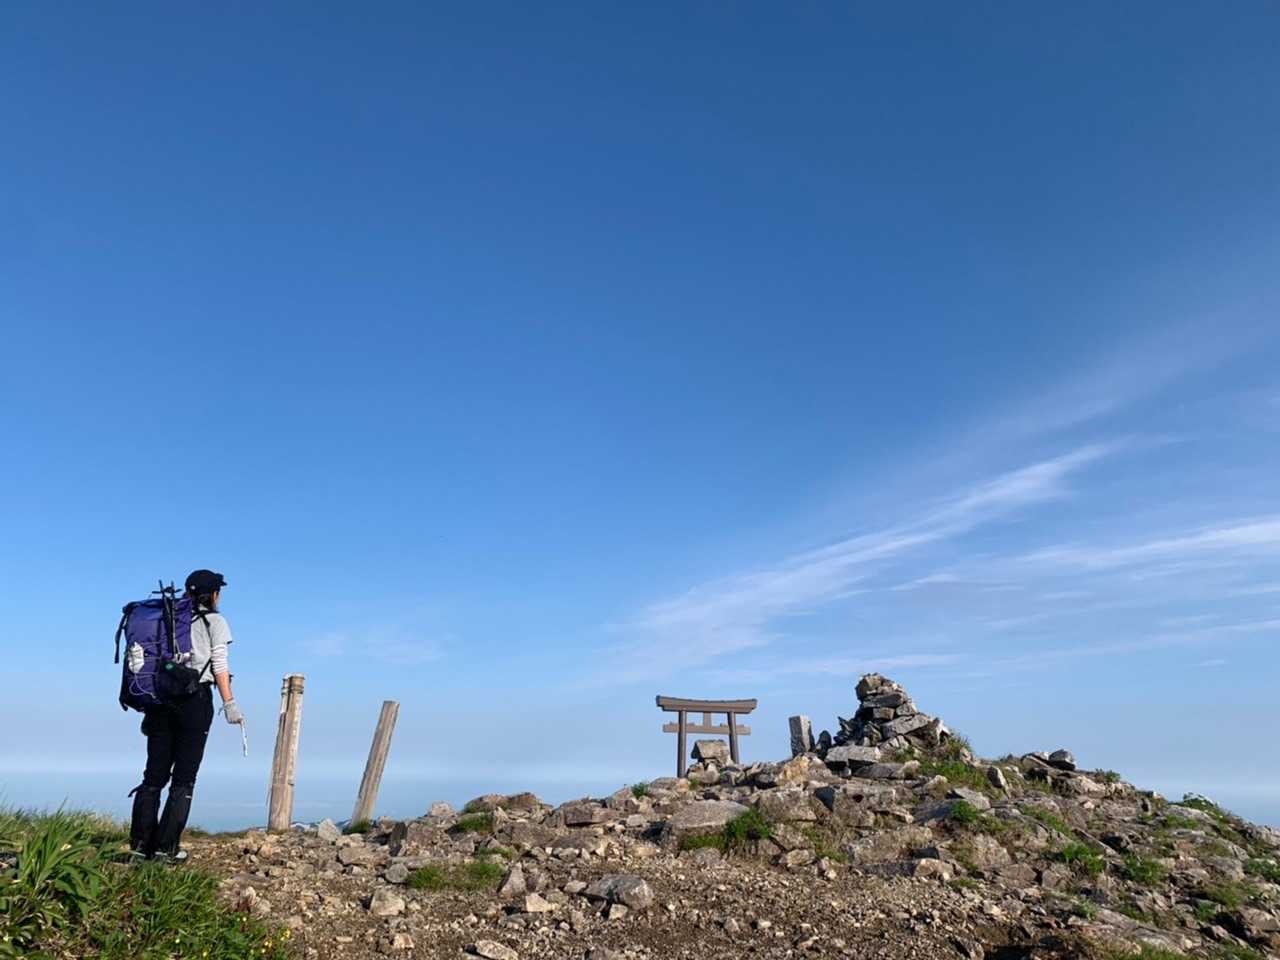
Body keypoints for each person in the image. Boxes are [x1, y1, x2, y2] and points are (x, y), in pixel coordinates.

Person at [128, 569, 244, 861]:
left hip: (160, 700)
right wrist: (230, 704)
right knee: (184, 777)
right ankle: (166, 849)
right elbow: (219, 666)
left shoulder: (164, 620)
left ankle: (140, 846)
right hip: (195, 699)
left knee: (154, 775)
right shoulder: (215, 622)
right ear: (213, 594)